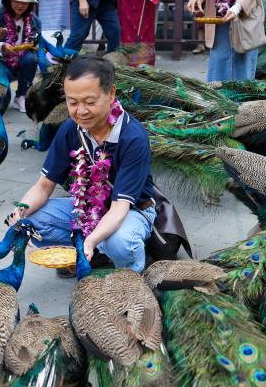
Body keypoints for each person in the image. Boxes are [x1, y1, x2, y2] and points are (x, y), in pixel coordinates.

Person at [8, 56, 156, 272]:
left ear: (111, 93)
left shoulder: (132, 137)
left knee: (120, 242)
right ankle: (92, 255)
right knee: (31, 221)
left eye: (90, 102)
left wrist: (91, 239)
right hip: (87, 207)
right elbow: (43, 186)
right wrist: (18, 215)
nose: (81, 111)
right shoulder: (70, 128)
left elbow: (119, 207)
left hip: (131, 210)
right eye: (73, 102)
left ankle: (130, 275)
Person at [0, 0, 42, 112]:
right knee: (1, 105)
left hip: (23, 60)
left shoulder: (35, 21)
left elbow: (37, 45)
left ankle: (22, 96)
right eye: (16, 1)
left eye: (24, 2)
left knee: (31, 59)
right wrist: (2, 45)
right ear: (9, 0)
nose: (20, 5)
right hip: (0, 60)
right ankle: (2, 93)